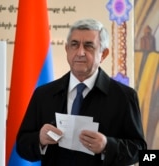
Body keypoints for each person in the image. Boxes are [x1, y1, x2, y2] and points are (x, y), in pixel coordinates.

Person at [16, 18, 147, 166]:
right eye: (74, 45)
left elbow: (141, 151)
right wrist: (39, 139)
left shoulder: (124, 97)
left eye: (89, 46)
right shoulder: (43, 94)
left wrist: (107, 146)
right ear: (67, 49)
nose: (80, 52)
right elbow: (21, 146)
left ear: (103, 54)